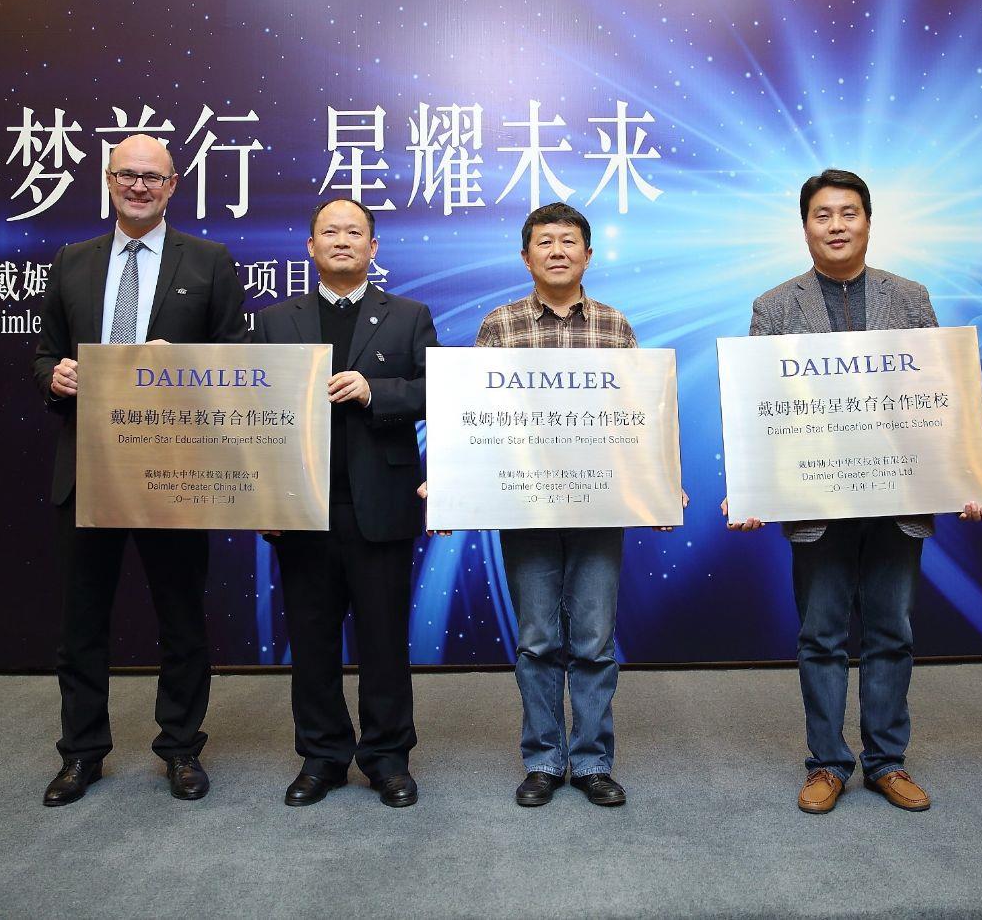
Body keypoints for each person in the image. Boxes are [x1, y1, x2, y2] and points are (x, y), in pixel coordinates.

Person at [726, 168, 982, 815]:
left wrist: (968, 475)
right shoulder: (775, 306)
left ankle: (886, 760)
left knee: (890, 631)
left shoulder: (910, 297)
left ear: (868, 221)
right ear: (805, 226)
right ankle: (826, 762)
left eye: (849, 213)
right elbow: (760, 403)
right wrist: (749, 484)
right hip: (815, 499)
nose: (837, 225)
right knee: (820, 634)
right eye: (823, 214)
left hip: (899, 496)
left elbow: (941, 394)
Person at [32, 133, 248, 806]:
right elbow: (43, 352)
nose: (138, 186)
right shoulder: (72, 260)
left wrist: (178, 362)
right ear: (107, 180)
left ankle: (180, 747)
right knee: (80, 624)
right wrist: (54, 376)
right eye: (127, 173)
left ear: (173, 185)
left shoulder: (209, 261)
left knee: (181, 618)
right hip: (89, 465)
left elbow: (236, 357)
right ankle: (81, 753)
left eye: (152, 176)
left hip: (174, 469)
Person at [255, 197, 435, 809]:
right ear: (310, 247)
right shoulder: (274, 321)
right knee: (311, 639)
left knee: (384, 639)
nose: (341, 241)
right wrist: (264, 499)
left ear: (372, 247)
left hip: (379, 503)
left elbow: (435, 391)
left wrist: (373, 390)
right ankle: (322, 756)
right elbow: (254, 413)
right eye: (328, 232)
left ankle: (387, 757)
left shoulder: (409, 316)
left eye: (353, 232)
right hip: (301, 505)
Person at [472, 202, 644, 808]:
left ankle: (593, 761)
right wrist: (455, 482)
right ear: (526, 257)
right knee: (538, 638)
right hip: (527, 507)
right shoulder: (500, 325)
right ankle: (544, 759)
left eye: (569, 241)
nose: (557, 251)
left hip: (599, 506)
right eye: (545, 242)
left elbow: (639, 416)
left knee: (594, 640)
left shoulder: (615, 326)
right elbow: (476, 417)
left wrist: (657, 479)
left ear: (588, 255)